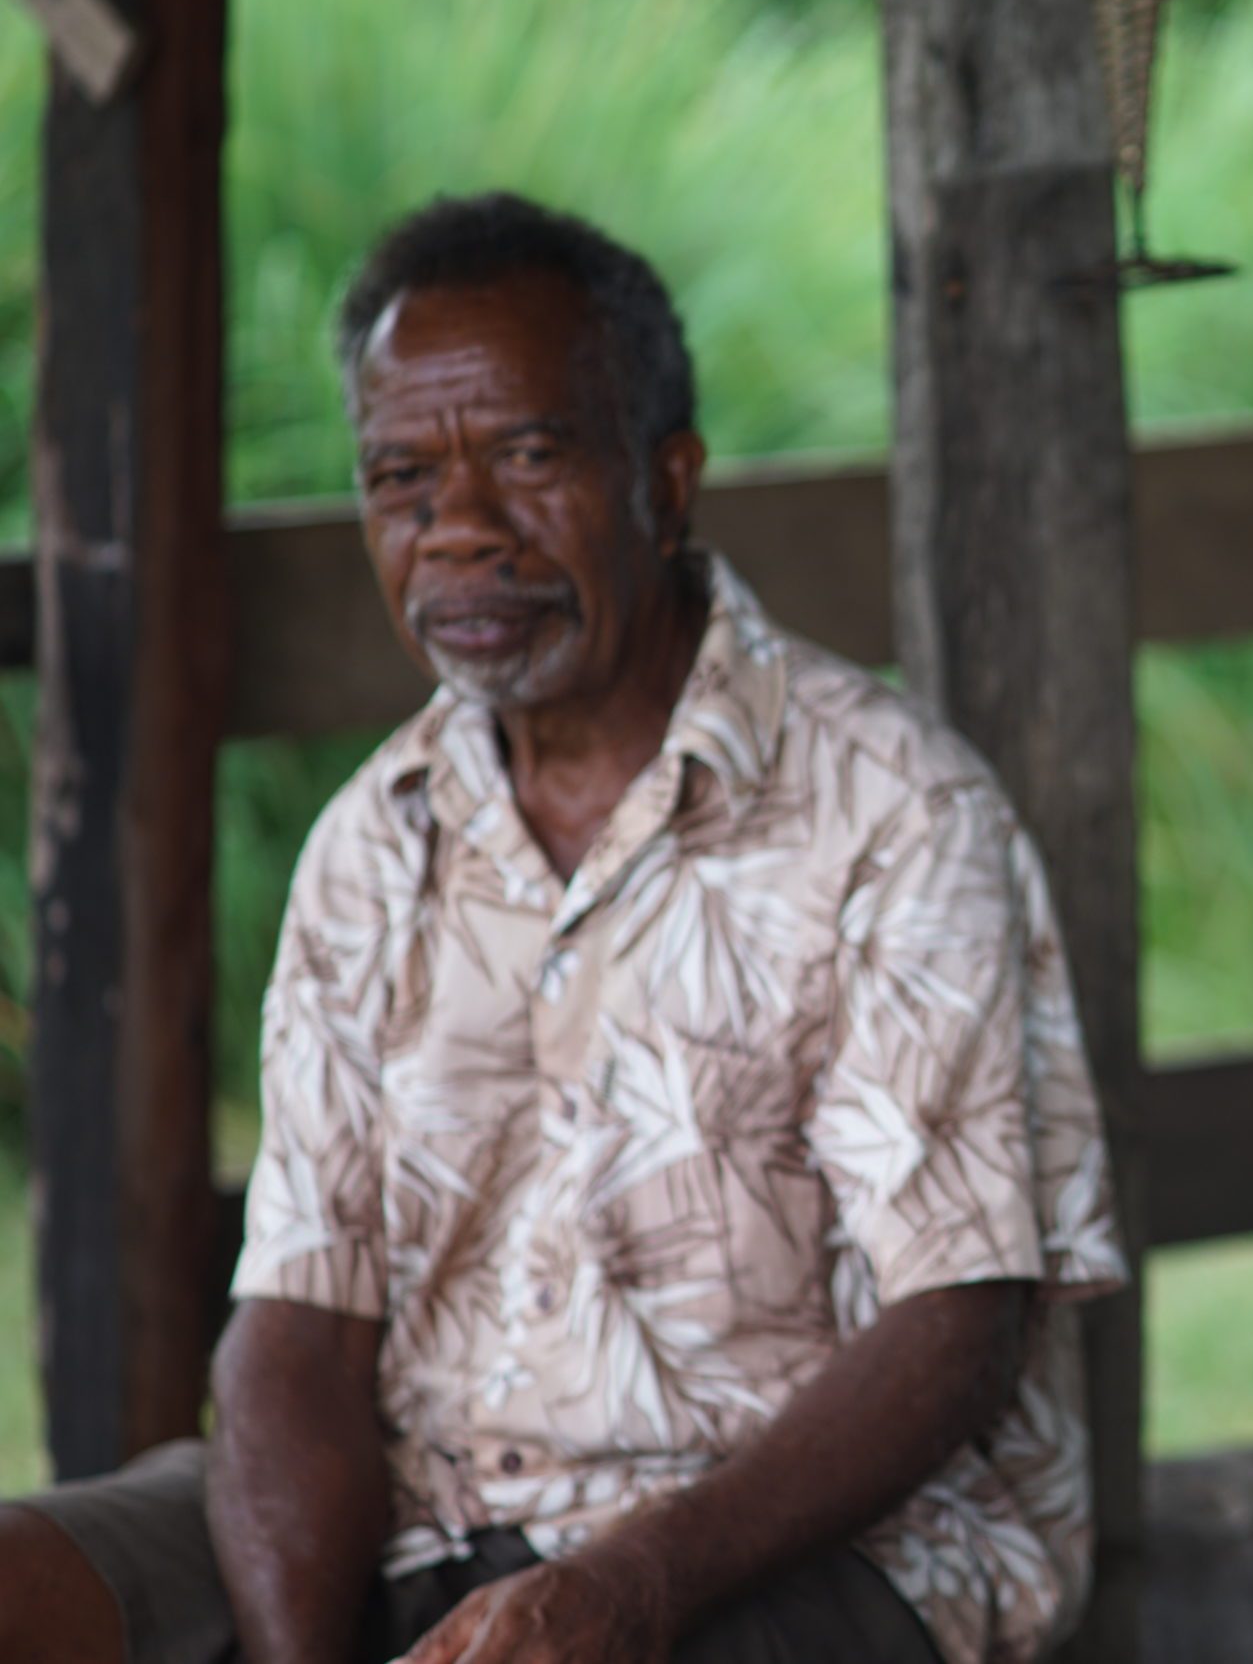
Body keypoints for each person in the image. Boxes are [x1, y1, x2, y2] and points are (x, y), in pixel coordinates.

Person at [0, 192, 1126, 1664]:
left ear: (668, 484)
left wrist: (622, 1589)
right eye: (402, 476)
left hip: (794, 1544)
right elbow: (299, 1326)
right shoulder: (372, 839)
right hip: (414, 1508)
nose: (457, 529)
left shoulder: (893, 810)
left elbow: (953, 1330)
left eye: (527, 458)